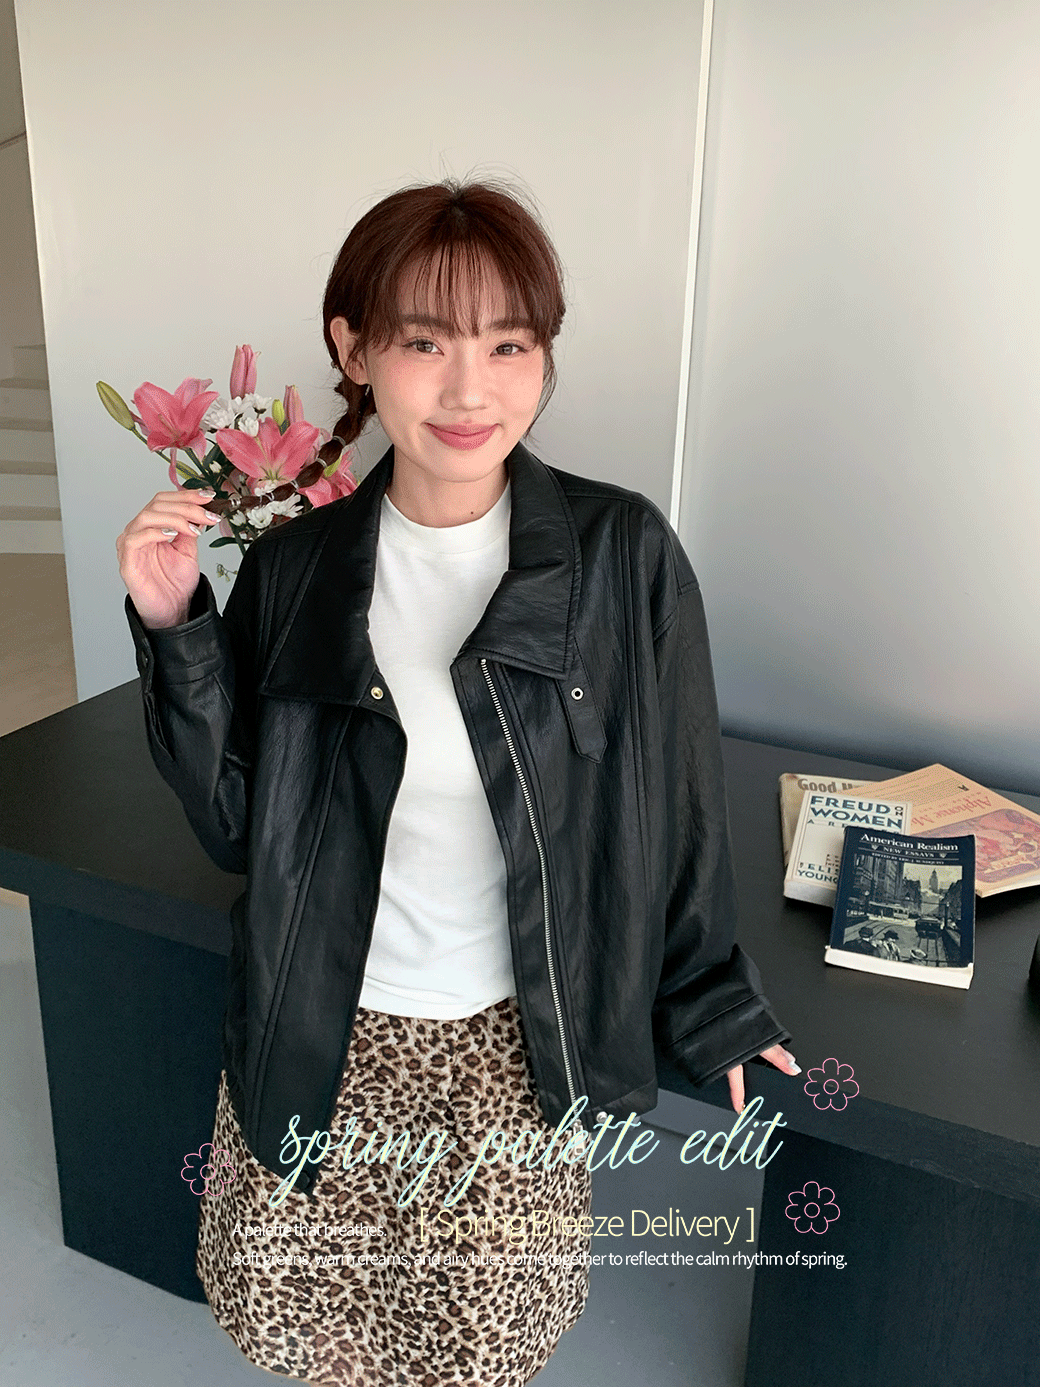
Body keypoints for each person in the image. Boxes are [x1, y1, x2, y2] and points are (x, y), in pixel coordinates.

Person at [116, 178, 798, 1387]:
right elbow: (238, 826)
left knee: (474, 1348)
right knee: (309, 1337)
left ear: (542, 357)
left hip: (510, 1050)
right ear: (355, 351)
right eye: (425, 343)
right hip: (320, 1029)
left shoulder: (620, 555)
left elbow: (675, 803)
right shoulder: (295, 569)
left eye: (508, 345)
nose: (469, 389)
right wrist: (178, 630)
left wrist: (709, 999)